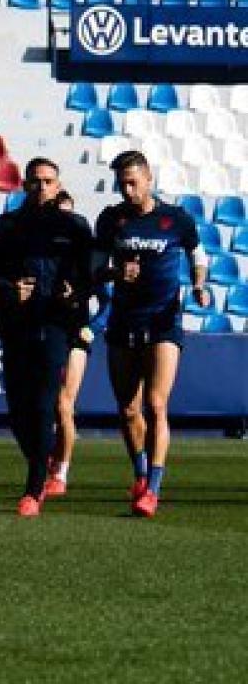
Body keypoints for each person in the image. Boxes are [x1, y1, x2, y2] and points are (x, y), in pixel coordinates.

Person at [94, 150, 208, 518]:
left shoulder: (175, 219)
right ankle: (140, 474)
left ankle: (153, 490)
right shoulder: (112, 220)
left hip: (163, 321)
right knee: (128, 409)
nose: (127, 190)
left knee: (155, 404)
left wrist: (199, 284)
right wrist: (113, 274)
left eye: (132, 182)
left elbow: (198, 253)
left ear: (148, 179)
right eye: (121, 184)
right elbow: (94, 268)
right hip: (123, 321)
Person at [0, 158, 93, 517]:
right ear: (24, 185)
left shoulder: (74, 227)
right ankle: (40, 463)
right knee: (18, 412)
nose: (42, 187)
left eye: (48, 181)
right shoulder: (4, 228)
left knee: (45, 405)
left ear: (58, 186)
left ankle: (33, 488)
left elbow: (90, 276)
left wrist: (73, 291)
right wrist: (9, 289)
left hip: (55, 326)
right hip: (15, 326)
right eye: (35, 181)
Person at [48, 190, 107, 498]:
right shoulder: (45, 256)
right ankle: (49, 456)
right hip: (46, 332)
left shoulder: (88, 261)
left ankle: (61, 472)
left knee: (63, 404)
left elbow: (107, 300)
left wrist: (92, 327)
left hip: (75, 336)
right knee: (43, 406)